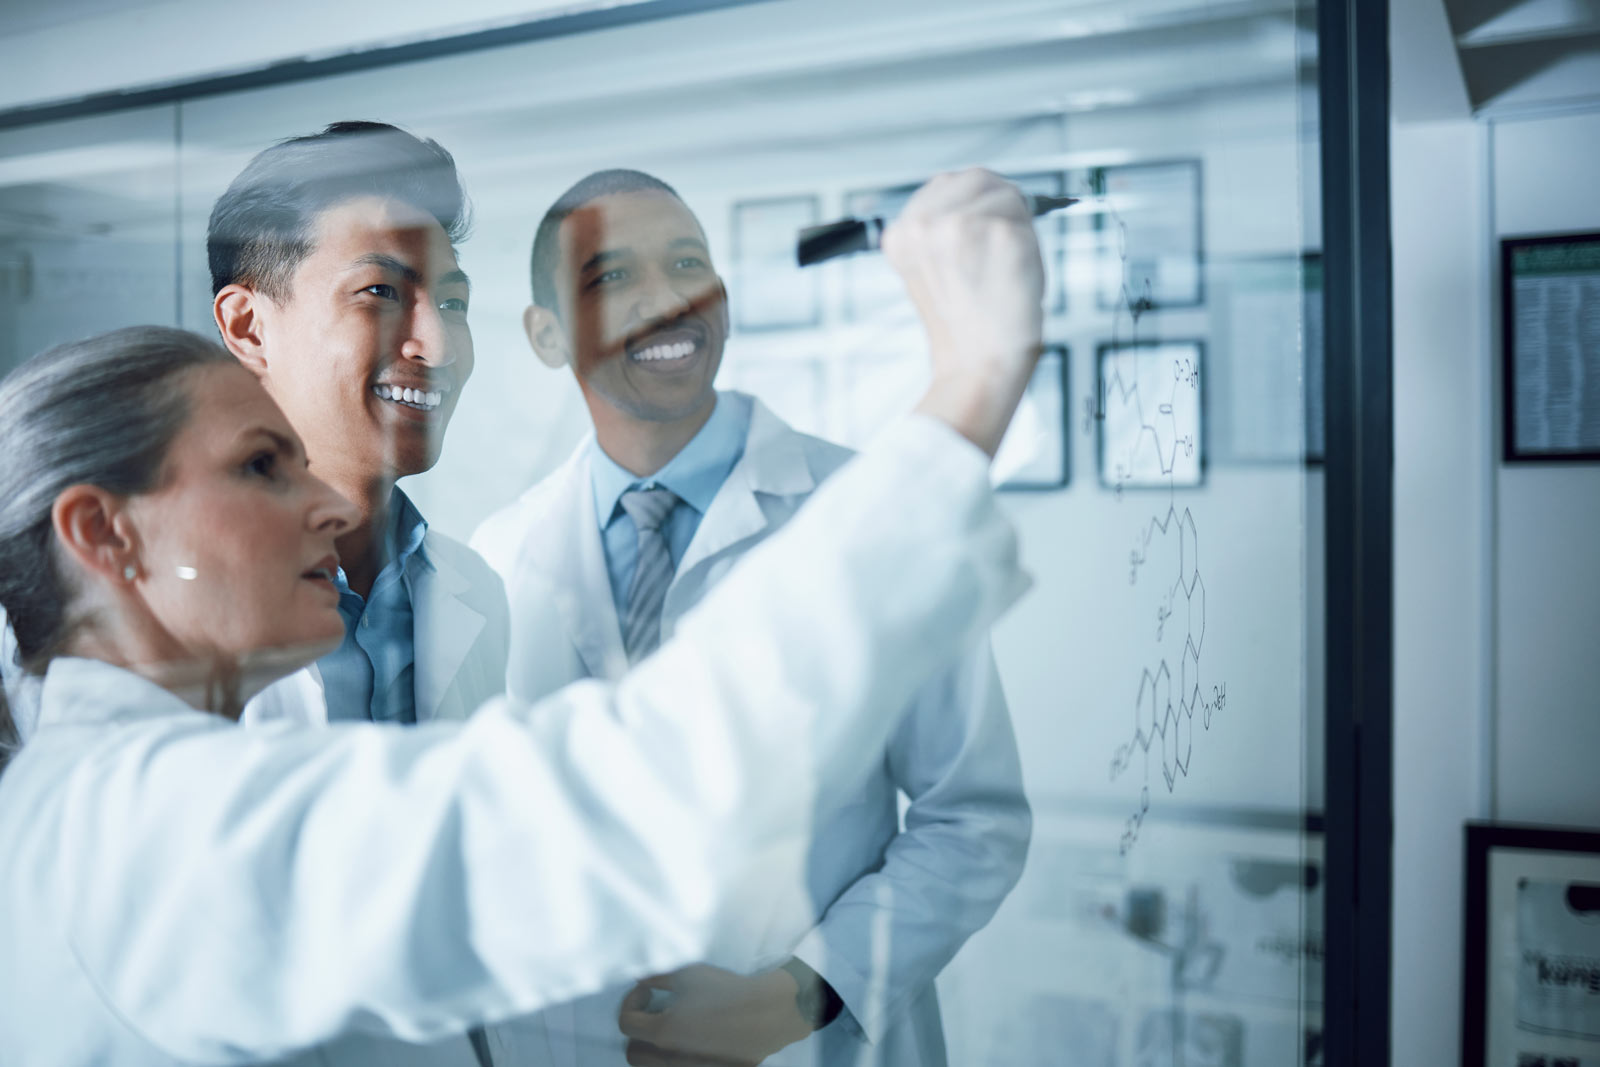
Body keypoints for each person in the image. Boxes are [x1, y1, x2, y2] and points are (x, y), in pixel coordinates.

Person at [0, 168, 1044, 1065]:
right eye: (260, 466)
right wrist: (971, 385)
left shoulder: (109, 789)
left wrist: (803, 989)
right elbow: (602, 807)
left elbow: (964, 819)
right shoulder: (150, 820)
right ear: (104, 533)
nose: (323, 496)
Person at [471, 169, 1031, 1066]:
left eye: (688, 262)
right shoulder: (496, 560)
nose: (667, 297)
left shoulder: (867, 511)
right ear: (545, 334)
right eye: (612, 276)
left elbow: (973, 817)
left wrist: (798, 993)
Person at [208, 121, 508, 729]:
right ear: (248, 327)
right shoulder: (150, 596)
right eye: (379, 291)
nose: (439, 346)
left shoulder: (475, 589)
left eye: (453, 304)